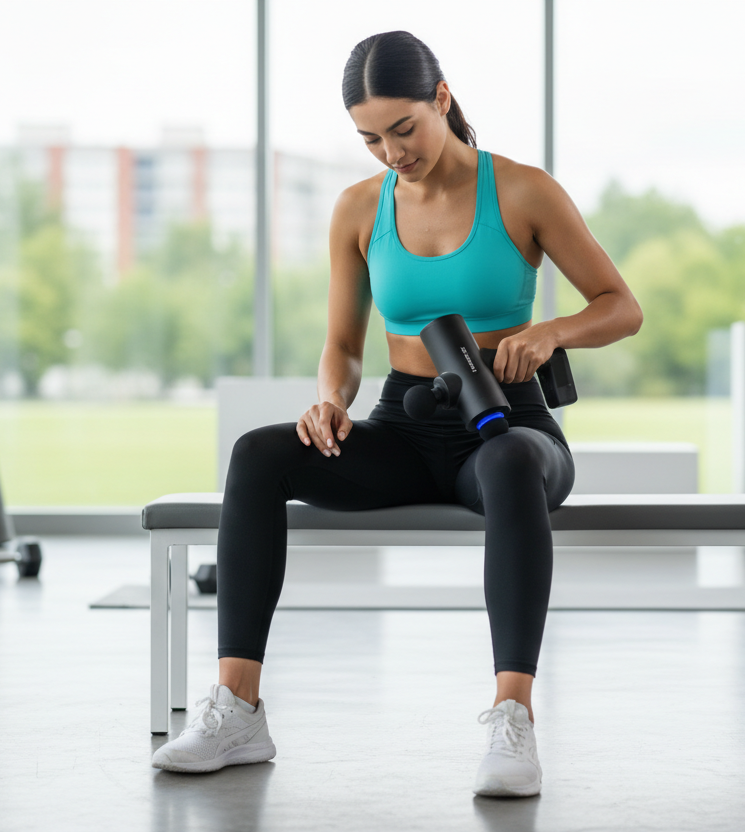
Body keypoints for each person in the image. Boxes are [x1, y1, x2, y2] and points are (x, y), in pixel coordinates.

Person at [152, 30, 642, 797]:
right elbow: (343, 347)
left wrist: (551, 332)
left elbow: (621, 307)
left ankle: (513, 720)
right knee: (257, 453)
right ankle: (238, 709)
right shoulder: (358, 208)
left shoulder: (522, 191)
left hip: (508, 425)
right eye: (371, 138)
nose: (391, 152)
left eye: (403, 129)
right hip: (405, 423)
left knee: (511, 458)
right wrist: (330, 402)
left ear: (441, 99)